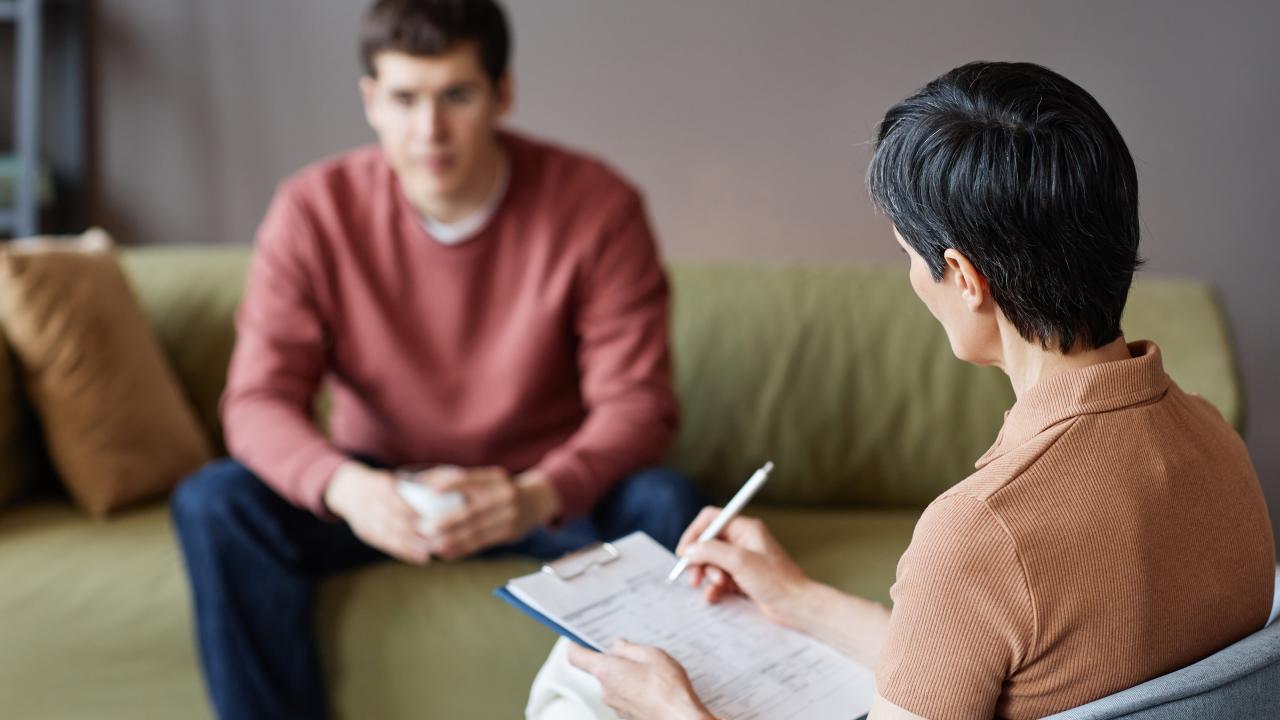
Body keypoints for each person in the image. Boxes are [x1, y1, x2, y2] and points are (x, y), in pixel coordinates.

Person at [558, 61, 1276, 720]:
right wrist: (798, 599)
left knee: (574, 690)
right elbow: (997, 662)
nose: (911, 281)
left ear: (964, 278)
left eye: (909, 256)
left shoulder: (983, 532)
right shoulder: (1215, 442)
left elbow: (981, 603)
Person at [168, 1, 706, 717]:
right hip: (379, 492)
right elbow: (256, 401)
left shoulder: (598, 206)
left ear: (501, 93)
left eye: (456, 95)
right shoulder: (312, 210)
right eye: (404, 98)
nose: (430, 130)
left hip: (540, 494)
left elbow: (638, 404)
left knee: (667, 503)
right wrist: (346, 489)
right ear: (370, 100)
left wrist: (534, 495)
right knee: (214, 502)